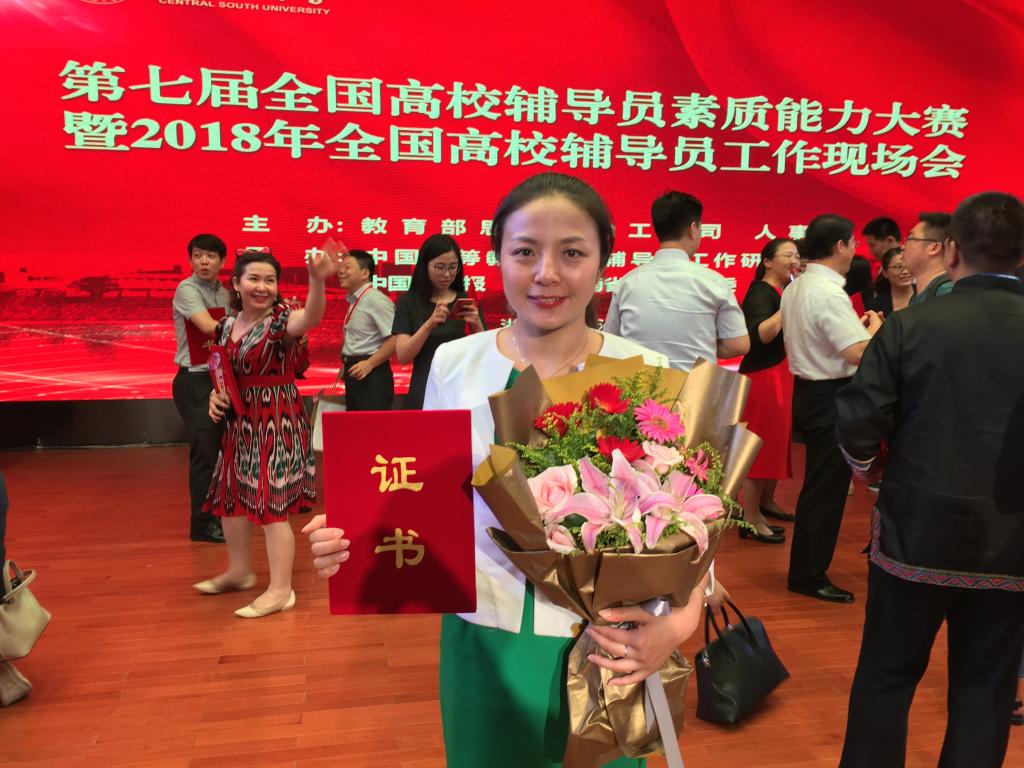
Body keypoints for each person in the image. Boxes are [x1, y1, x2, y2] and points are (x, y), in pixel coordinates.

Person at [304, 172, 710, 767]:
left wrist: (676, 627)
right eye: (524, 252)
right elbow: (425, 496)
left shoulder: (645, 368)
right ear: (497, 258)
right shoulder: (455, 362)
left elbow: (692, 520)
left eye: (572, 253)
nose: (546, 273)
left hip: (612, 643)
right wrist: (353, 538)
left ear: (603, 263)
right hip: (484, 634)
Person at [836, 192, 1024, 768]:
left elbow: (859, 424)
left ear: (952, 250)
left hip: (914, 530)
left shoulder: (910, 326)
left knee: (886, 676)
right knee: (986, 688)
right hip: (1013, 542)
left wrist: (872, 473)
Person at [195, 248, 335, 618]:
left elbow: (311, 318)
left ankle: (281, 590)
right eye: (254, 279)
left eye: (270, 280)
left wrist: (316, 280)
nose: (262, 287)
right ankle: (240, 572)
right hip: (240, 423)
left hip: (277, 420)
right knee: (231, 499)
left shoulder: (279, 322)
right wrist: (215, 396)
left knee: (272, 508)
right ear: (236, 284)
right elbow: (225, 373)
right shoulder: (226, 326)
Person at [781, 215, 883, 603]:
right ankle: (808, 574)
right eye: (853, 243)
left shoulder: (798, 286)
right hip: (830, 395)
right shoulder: (827, 292)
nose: (855, 250)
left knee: (820, 486)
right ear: (840, 246)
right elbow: (857, 352)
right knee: (826, 489)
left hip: (811, 392)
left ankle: (806, 569)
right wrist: (874, 330)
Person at [603, 191, 749, 371]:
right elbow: (739, 345)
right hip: (696, 386)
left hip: (639, 386)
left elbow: (610, 342)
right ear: (693, 229)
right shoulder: (714, 282)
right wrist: (705, 344)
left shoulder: (627, 283)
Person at [737, 238, 799, 543]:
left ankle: (765, 503)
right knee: (760, 444)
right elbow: (762, 334)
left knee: (776, 442)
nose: (794, 261)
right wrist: (791, 303)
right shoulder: (761, 293)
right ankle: (750, 517)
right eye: (788, 255)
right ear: (767, 262)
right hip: (764, 377)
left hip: (781, 373)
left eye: (797, 255)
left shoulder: (781, 291)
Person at [172, 233, 231, 543]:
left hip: (221, 378)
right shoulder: (187, 289)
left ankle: (220, 512)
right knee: (205, 452)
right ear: (191, 259)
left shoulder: (226, 292)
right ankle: (202, 523)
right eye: (198, 255)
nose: (204, 261)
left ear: (222, 261)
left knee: (224, 450)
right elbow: (209, 327)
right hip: (195, 380)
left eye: (210, 256)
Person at [392, 234, 485, 410]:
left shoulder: (466, 300)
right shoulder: (408, 302)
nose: (447, 274)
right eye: (440, 267)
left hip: (461, 387)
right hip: (424, 386)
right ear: (425, 266)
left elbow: (485, 351)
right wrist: (429, 324)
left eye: (453, 267)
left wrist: (477, 324)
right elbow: (403, 355)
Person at [338, 250, 396, 411]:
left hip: (372, 375)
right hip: (355, 371)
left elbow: (396, 338)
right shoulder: (356, 300)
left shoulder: (376, 300)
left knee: (371, 425)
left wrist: (370, 363)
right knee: (355, 425)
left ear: (365, 273)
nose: (340, 272)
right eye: (340, 268)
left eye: (347, 267)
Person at [903, 212, 954, 305]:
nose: (903, 247)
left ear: (934, 248)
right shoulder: (919, 295)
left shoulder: (946, 292)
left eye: (910, 239)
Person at [867, 246, 915, 316]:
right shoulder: (876, 305)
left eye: (908, 265)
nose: (905, 272)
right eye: (899, 267)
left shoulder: (927, 294)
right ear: (885, 272)